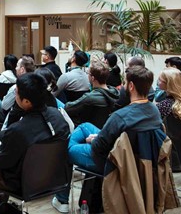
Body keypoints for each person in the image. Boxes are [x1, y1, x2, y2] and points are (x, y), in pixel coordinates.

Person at [51, 66, 162, 213]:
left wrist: (94, 140)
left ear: (131, 86)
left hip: (111, 161)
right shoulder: (154, 111)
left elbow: (99, 147)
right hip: (136, 158)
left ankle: (62, 200)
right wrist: (99, 136)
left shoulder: (121, 116)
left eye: (124, 82)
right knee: (85, 127)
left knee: (64, 149)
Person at [0, 72, 70, 210]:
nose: (15, 95)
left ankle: (3, 207)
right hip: (52, 178)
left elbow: (1, 162)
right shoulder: (58, 116)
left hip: (20, 181)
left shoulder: (19, 130)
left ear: (26, 102)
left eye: (16, 92)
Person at [64, 60, 119, 126]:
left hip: (86, 128)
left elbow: (68, 108)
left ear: (92, 78)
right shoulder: (115, 93)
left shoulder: (90, 97)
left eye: (88, 73)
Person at [0, 55, 36, 123]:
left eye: (17, 66)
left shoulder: (16, 88)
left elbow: (4, 106)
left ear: (22, 69)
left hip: (13, 118)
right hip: (33, 118)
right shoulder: (36, 84)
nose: (15, 68)